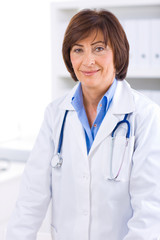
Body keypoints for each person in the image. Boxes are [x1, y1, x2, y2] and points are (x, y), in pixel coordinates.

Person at [6, 9, 160, 240]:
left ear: (118, 53)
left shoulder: (145, 117)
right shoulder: (56, 114)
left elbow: (150, 212)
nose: (88, 61)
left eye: (99, 48)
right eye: (78, 50)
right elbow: (30, 199)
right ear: (69, 57)